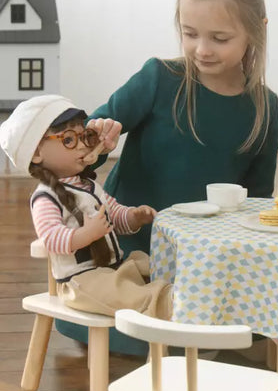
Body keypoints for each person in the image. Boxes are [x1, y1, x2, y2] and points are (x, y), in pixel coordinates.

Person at [61, 0, 278, 352]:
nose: (202, 49)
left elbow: (258, 200)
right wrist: (98, 142)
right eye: (190, 33)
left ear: (256, 32)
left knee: (240, 326)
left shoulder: (266, 106)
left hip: (203, 262)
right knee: (148, 320)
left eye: (220, 37)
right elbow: (74, 150)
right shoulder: (159, 78)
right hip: (129, 253)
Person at [0, 95, 172, 319]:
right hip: (82, 281)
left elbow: (115, 216)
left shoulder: (89, 185)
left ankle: (180, 288)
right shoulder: (46, 198)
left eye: (85, 136)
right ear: (37, 153)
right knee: (128, 295)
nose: (82, 145)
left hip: (113, 267)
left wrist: (133, 216)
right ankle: (171, 304)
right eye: (69, 140)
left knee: (146, 262)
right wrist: (86, 235)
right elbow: (51, 238)